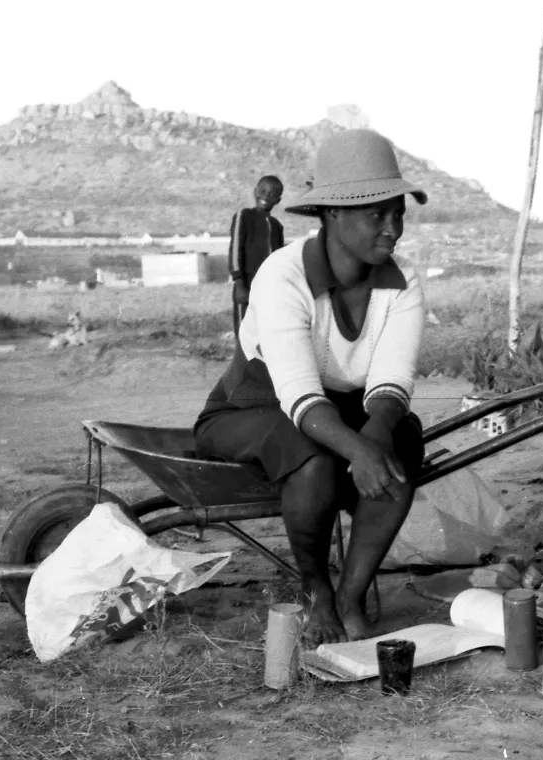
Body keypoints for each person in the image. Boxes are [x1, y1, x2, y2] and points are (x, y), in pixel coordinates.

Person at [194, 130, 427, 646]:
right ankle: (317, 591)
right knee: (316, 454)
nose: (393, 228)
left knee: (403, 445)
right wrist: (356, 449)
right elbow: (298, 393)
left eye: (399, 213)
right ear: (331, 214)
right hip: (251, 407)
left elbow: (391, 380)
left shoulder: (401, 282)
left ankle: (352, 595)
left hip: (338, 410)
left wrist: (377, 440)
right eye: (377, 214)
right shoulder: (282, 275)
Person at [229, 175, 286, 335]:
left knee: (266, 332)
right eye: (263, 191)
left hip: (268, 289)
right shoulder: (244, 216)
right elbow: (235, 249)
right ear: (255, 192)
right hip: (246, 286)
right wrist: (239, 282)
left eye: (272, 194)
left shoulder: (277, 226)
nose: (266, 197)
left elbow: (278, 258)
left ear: (278, 200)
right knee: (244, 332)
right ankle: (244, 360)